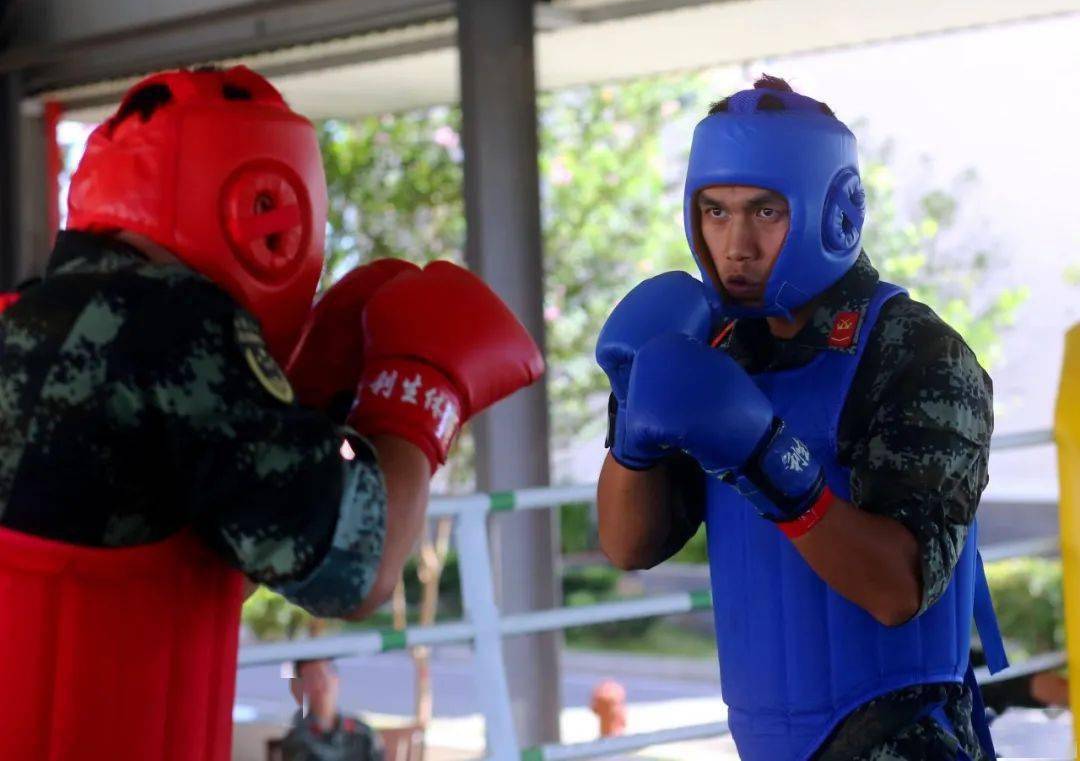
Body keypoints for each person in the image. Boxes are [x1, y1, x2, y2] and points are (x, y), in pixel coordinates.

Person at [0, 66, 543, 761]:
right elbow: (357, 565)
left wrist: (307, 399)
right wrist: (423, 392)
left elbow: (168, 536)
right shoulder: (180, 329)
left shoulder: (24, 319)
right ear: (264, 203)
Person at [595, 75, 1007, 760]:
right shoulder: (707, 342)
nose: (736, 246)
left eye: (764, 211)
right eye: (715, 211)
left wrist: (767, 460)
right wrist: (634, 434)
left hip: (902, 739)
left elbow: (898, 588)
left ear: (832, 208)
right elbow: (627, 545)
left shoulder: (916, 354)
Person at [280, 659, 384, 761]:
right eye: (310, 677)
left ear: (336, 680)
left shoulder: (362, 734)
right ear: (302, 686)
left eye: (323, 674)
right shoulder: (297, 741)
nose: (318, 684)